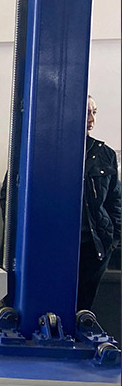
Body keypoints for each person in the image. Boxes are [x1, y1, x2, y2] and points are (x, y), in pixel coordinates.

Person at [78, 95, 121, 312]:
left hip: (93, 247)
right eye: (87, 112)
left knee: (83, 309)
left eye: (94, 112)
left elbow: (115, 200)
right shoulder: (45, 151)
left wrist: (114, 239)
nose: (91, 119)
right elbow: (8, 195)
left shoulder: (105, 154)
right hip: (56, 246)